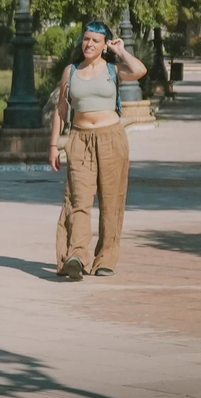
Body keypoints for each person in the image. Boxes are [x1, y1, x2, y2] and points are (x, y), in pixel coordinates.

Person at [50, 21, 148, 280]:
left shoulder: (114, 70)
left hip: (111, 139)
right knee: (78, 200)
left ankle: (105, 259)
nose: (89, 44)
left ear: (105, 45)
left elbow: (139, 70)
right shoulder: (71, 71)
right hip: (79, 139)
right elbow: (61, 110)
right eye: (86, 39)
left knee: (111, 201)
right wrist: (53, 146)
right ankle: (76, 256)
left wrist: (121, 51)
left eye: (95, 40)